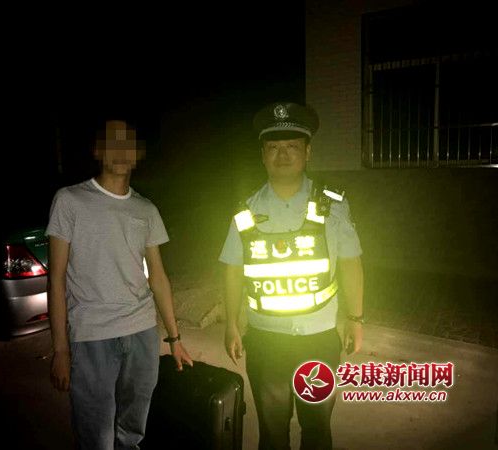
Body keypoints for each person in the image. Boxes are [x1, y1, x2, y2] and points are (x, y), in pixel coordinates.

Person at [219, 102, 364, 450]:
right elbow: (233, 269)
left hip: (319, 338)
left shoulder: (333, 205)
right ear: (263, 155)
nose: (282, 155)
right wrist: (231, 324)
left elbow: (351, 263)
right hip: (266, 339)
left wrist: (356, 319)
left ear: (307, 152)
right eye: (274, 147)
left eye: (292, 146)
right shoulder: (246, 211)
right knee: (272, 434)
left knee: (317, 430)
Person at [46, 118, 193, 450]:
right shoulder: (70, 200)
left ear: (138, 154)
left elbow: (158, 276)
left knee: (133, 428)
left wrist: (175, 338)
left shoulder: (146, 209)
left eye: (128, 144)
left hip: (142, 331)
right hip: (92, 335)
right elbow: (55, 279)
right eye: (112, 142)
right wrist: (60, 349)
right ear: (98, 150)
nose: (120, 151)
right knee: (96, 433)